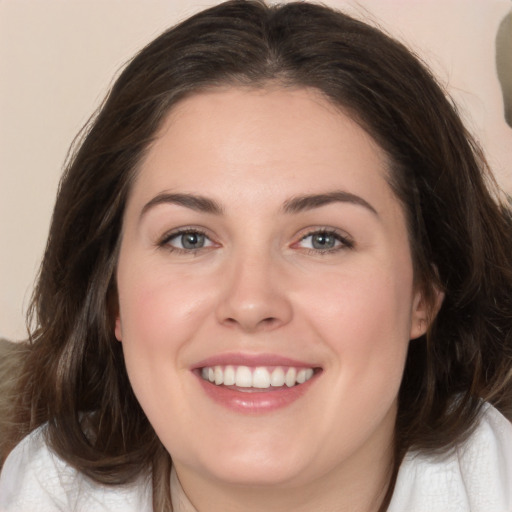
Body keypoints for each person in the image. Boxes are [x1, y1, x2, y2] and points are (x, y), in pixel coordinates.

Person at [1, 1, 511, 511]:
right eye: (190, 239)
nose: (250, 302)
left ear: (424, 290)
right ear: (112, 294)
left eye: (323, 239)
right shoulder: (41, 490)